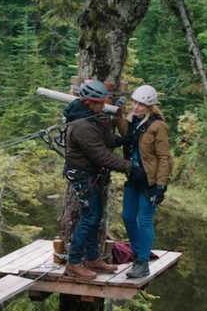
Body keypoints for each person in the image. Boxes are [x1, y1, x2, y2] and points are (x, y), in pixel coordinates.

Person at [63, 79, 145, 280]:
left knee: (94, 216)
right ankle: (73, 263)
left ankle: (92, 259)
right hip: (82, 175)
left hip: (91, 174)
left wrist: (122, 138)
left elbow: (107, 140)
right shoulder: (81, 125)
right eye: (99, 103)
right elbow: (101, 155)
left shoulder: (92, 116)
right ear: (88, 102)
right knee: (90, 217)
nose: (103, 106)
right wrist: (129, 167)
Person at [118, 84, 172, 279]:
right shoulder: (133, 121)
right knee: (127, 216)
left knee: (144, 220)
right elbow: (125, 133)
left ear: (149, 107)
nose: (136, 107)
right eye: (135, 103)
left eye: (141, 104)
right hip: (134, 178)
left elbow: (164, 157)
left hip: (150, 180)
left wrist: (160, 186)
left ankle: (142, 262)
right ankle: (138, 253)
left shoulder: (158, 126)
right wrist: (118, 114)